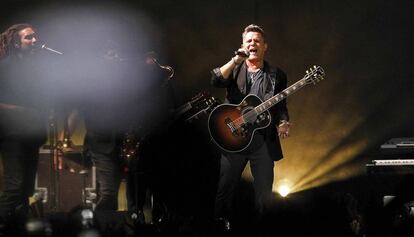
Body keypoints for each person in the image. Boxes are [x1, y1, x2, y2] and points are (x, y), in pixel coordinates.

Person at [210, 24, 291, 228]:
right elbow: (216, 80)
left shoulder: (276, 75)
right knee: (225, 187)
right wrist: (236, 59)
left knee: (264, 192)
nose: (252, 43)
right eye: (249, 41)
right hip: (233, 139)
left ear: (265, 46)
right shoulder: (234, 68)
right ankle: (220, 225)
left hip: (262, 140)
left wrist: (282, 122)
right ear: (243, 45)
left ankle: (263, 227)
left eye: (257, 41)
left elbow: (280, 104)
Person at [0, 23, 47, 221]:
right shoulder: (6, 67)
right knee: (14, 187)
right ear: (17, 44)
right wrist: (24, 111)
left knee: (26, 189)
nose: (35, 40)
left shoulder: (34, 68)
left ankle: (18, 226)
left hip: (31, 135)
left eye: (35, 36)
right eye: (28, 37)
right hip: (12, 136)